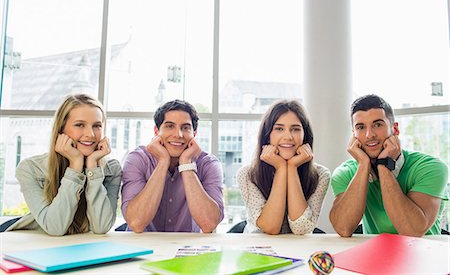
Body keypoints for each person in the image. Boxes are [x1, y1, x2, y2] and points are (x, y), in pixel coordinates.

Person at [330, 94, 449, 237]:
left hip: (423, 254)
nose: (369, 135)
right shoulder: (346, 172)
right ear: (353, 135)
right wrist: (363, 165)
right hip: (376, 256)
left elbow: (411, 231)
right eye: (361, 127)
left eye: (378, 124)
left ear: (395, 129)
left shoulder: (431, 168)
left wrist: (383, 166)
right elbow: (343, 228)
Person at [6, 94, 122, 235]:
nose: (91, 134)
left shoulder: (112, 169)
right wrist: (75, 165)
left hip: (82, 248)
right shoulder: (30, 169)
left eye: (97, 126)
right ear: (61, 129)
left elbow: (101, 227)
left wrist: (93, 168)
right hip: (34, 244)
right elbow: (55, 228)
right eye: (80, 125)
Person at [121, 100, 224, 233]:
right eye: (170, 126)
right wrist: (163, 161)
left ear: (195, 133)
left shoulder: (208, 164)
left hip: (187, 249)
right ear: (156, 131)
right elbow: (136, 223)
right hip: (141, 249)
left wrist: (186, 163)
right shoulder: (138, 159)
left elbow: (209, 224)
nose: (178, 135)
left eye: (185, 128)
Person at [237, 100, 330, 234]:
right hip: (258, 250)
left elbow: (301, 228)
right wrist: (281, 168)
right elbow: (271, 227)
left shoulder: (321, 175)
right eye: (279, 129)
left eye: (295, 129)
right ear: (267, 135)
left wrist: (291, 168)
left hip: (299, 251)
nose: (288, 137)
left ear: (305, 136)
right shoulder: (247, 174)